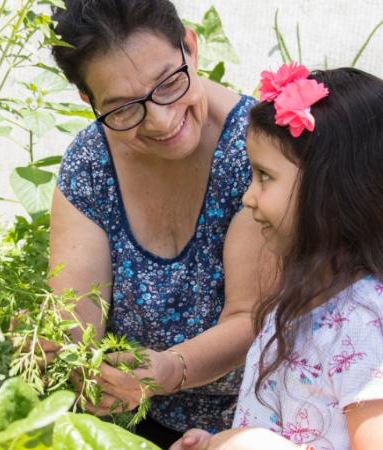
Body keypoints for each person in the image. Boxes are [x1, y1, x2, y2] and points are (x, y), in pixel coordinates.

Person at [171, 66, 383, 450]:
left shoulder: (371, 326)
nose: (248, 197)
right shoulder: (298, 306)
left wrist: (254, 446)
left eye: (264, 176)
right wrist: (218, 443)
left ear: (331, 191)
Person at [45, 0, 273, 447]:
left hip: (255, 423)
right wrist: (69, 359)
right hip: (131, 423)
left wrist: (169, 370)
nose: (162, 120)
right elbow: (76, 320)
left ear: (190, 45)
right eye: (123, 108)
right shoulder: (91, 164)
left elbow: (251, 318)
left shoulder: (257, 151)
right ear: (88, 100)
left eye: (168, 83)